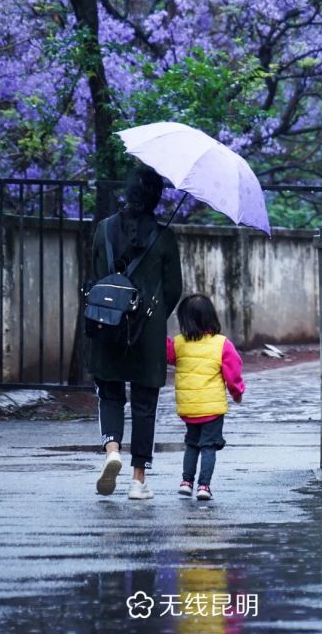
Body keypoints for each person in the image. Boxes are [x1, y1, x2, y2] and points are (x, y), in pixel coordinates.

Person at [89, 166, 182, 500]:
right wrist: (152, 319)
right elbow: (174, 289)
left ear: (126, 192)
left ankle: (112, 448)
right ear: (157, 198)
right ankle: (137, 479)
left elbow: (94, 278)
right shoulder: (165, 237)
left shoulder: (102, 230)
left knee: (110, 393)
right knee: (144, 404)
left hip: (106, 326)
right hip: (146, 332)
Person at [166, 293, 245, 501]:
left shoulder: (178, 344)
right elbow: (233, 374)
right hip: (212, 409)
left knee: (192, 444)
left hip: (189, 408)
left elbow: (166, 353)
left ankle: (186, 482)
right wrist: (237, 394)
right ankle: (204, 486)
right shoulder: (222, 344)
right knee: (208, 446)